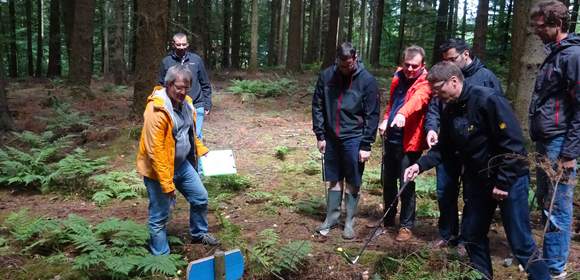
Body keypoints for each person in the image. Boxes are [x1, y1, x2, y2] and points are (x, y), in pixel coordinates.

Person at [404, 62, 550, 280]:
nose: (437, 96)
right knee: (472, 235)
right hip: (479, 181)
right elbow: (444, 148)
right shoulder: (450, 108)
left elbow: (514, 146)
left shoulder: (488, 100)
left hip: (509, 181)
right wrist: (419, 165)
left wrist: (503, 182)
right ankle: (482, 276)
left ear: (454, 81)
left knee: (520, 242)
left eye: (438, 90)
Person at [425, 38, 503, 248]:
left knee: (472, 195)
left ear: (466, 54)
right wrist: (432, 128)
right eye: (445, 60)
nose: (449, 63)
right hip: (448, 144)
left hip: (475, 150)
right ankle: (448, 233)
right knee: (445, 191)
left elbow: (498, 118)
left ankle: (468, 240)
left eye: (452, 59)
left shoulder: (486, 78)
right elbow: (434, 107)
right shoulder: (442, 79)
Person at [137, 65, 219, 255]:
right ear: (168, 84)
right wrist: (167, 185)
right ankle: (162, 257)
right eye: (179, 87)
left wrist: (201, 149)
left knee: (200, 197)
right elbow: (155, 151)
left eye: (186, 87)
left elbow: (189, 133)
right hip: (158, 172)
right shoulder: (156, 110)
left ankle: (199, 233)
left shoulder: (187, 103)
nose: (183, 92)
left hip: (181, 165)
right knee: (160, 216)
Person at [529, 1, 580, 278]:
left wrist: (570, 152)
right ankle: (548, 258)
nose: (536, 31)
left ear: (556, 25)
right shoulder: (555, 54)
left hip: (561, 144)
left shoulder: (573, 56)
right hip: (547, 140)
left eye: (539, 26)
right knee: (546, 201)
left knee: (558, 205)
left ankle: (554, 269)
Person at [312, 42, 380, 239]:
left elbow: (372, 114)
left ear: (355, 58)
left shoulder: (367, 80)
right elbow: (317, 105)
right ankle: (332, 218)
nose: (345, 68)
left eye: (348, 65)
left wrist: (366, 144)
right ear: (337, 61)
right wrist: (320, 135)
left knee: (353, 180)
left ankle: (349, 220)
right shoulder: (327, 76)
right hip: (331, 136)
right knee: (334, 178)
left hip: (355, 137)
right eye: (341, 65)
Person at [377, 45, 432, 242]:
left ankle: (407, 226)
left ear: (422, 65)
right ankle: (388, 219)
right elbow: (393, 102)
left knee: (406, 182)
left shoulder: (425, 82)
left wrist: (402, 114)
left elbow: (417, 101)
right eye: (407, 64)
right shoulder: (398, 77)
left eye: (414, 66)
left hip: (410, 142)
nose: (410, 69)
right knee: (388, 181)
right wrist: (386, 118)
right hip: (391, 137)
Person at [159, 33, 212, 140]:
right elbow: (161, 85)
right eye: (178, 45)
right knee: (179, 137)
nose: (181, 47)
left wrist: (207, 104)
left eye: (184, 44)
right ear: (173, 44)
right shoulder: (166, 62)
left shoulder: (196, 60)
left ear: (187, 44)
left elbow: (205, 83)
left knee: (196, 136)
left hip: (197, 105)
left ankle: (197, 156)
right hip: (175, 107)